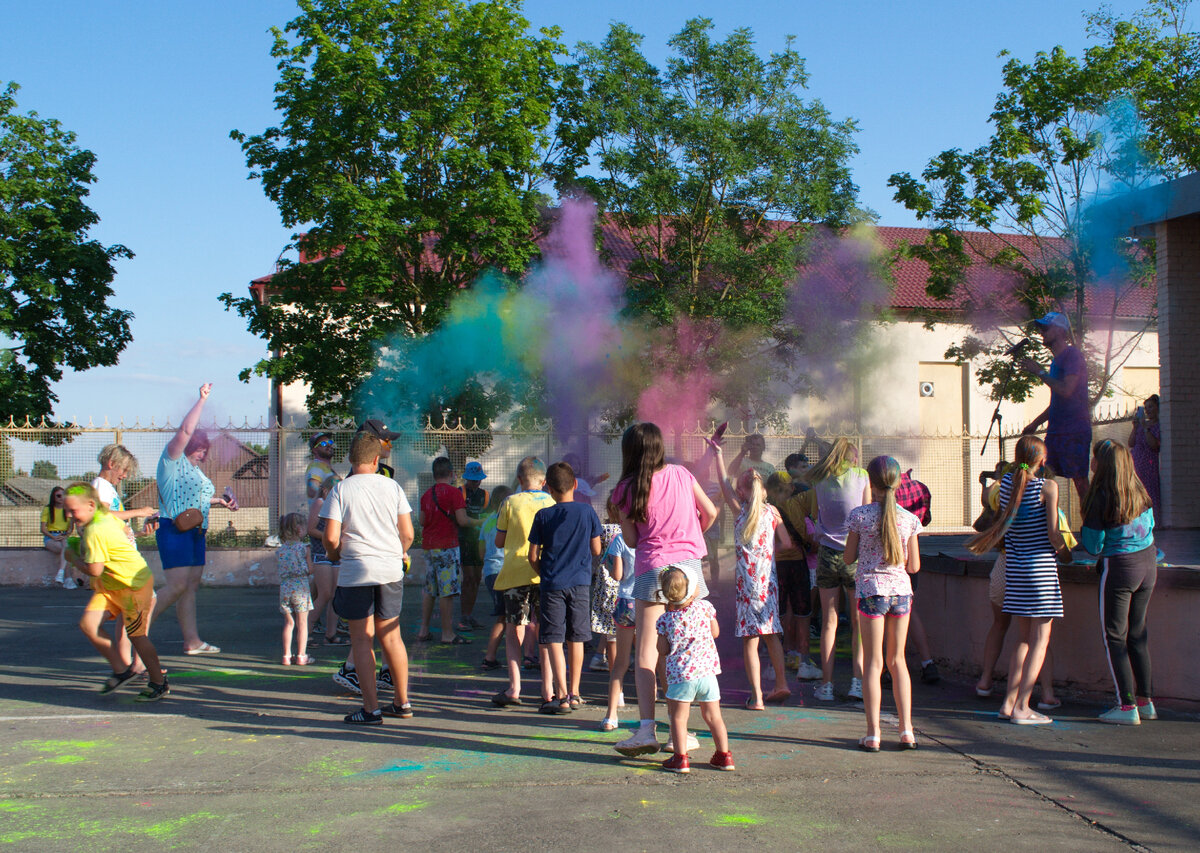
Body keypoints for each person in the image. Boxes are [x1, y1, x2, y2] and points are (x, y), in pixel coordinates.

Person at [611, 423, 719, 758]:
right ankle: (680, 733)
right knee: (684, 646)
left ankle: (646, 729)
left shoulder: (625, 489)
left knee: (646, 651)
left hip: (651, 569)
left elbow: (630, 541)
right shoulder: (683, 475)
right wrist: (689, 534)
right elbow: (711, 512)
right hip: (689, 568)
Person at [967, 435, 1065, 725]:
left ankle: (1009, 703)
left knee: (1022, 639)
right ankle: (1023, 706)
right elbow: (1053, 533)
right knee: (1040, 641)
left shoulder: (1007, 484)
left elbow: (991, 502)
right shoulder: (1047, 487)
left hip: (1016, 568)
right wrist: (1065, 549)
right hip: (1041, 570)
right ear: (1041, 460)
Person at [321, 431, 414, 724]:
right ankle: (402, 702)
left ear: (350, 459)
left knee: (362, 641)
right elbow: (408, 533)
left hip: (355, 571)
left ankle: (371, 709)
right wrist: (399, 552)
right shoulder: (393, 487)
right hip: (389, 570)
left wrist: (335, 555)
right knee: (392, 638)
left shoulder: (340, 490)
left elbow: (331, 537)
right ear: (377, 459)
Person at [843, 456, 922, 751]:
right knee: (897, 661)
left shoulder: (859, 516)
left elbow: (849, 558)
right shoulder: (909, 519)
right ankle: (907, 731)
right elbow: (913, 566)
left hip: (871, 593)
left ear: (870, 483)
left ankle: (873, 733)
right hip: (901, 593)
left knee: (874, 663)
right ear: (899, 481)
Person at [153, 383, 238, 655]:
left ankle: (192, 641)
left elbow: (197, 499)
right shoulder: (171, 460)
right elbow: (185, 430)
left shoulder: (194, 470)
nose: (202, 453)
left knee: (189, 587)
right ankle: (135, 627)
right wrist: (201, 400)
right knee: (176, 586)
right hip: (174, 530)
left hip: (196, 532)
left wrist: (221, 502)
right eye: (199, 447)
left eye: (205, 449)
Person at [64, 483, 168, 702]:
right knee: (88, 625)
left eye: (73, 511)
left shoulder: (95, 530)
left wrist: (73, 558)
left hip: (133, 586)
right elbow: (125, 531)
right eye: (67, 511)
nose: (70, 516)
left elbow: (94, 570)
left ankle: (159, 682)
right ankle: (121, 670)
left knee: (136, 636)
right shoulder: (104, 517)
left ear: (91, 505)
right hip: (110, 586)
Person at [1080, 439, 1158, 725]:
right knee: (1137, 634)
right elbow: (1150, 525)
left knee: (1114, 636)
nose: (1090, 463)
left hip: (1120, 568)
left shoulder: (1099, 496)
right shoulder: (1139, 490)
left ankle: (1126, 707)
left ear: (1103, 465)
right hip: (1148, 564)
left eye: (1094, 458)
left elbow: (1092, 544)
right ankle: (1145, 701)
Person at [713, 445, 792, 709]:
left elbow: (724, 484)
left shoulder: (740, 513)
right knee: (772, 636)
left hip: (746, 586)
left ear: (742, 491)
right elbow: (787, 544)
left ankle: (757, 696)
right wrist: (768, 552)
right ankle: (781, 684)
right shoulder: (773, 514)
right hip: (767, 585)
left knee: (750, 641)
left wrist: (719, 454)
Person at [528, 462, 603, 714]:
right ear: (574, 485)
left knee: (554, 639)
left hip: (551, 584)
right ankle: (576, 692)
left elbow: (532, 556)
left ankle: (560, 695)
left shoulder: (543, 515)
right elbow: (596, 550)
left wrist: (545, 574)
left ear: (548, 488)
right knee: (577, 638)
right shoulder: (587, 512)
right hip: (580, 583)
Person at [805, 437, 869, 702]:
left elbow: (813, 515)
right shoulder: (861, 475)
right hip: (855, 555)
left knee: (829, 622)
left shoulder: (819, 480)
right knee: (858, 622)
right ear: (852, 457)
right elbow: (866, 513)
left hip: (827, 555)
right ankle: (857, 682)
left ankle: (828, 685)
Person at [491, 456, 556, 708]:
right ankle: (548, 689)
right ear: (544, 481)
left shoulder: (510, 502)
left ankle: (514, 687)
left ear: (519, 480)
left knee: (513, 630)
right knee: (546, 632)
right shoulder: (551, 502)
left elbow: (498, 541)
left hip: (514, 574)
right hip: (543, 574)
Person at [656, 567, 734, 773]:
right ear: (691, 590)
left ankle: (680, 759)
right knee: (714, 717)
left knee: (679, 718)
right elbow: (715, 632)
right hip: (707, 674)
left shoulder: (665, 620)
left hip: (681, 676)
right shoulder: (705, 608)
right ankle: (724, 756)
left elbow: (662, 650)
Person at [91, 444, 160, 676]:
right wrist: (138, 511)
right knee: (145, 604)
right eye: (124, 469)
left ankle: (128, 664)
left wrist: (138, 533)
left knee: (128, 612)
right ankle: (134, 663)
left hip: (121, 557)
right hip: (122, 563)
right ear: (111, 463)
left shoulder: (107, 488)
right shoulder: (101, 487)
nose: (125, 475)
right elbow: (101, 517)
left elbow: (114, 528)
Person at [1021, 311, 1092, 502]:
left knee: (1080, 480)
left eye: (1046, 328)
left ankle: (1091, 527)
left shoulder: (1072, 356)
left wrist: (1039, 371)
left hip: (1074, 430)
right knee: (1040, 472)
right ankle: (1043, 521)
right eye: (1041, 328)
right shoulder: (1055, 362)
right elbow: (1058, 402)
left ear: (1061, 331)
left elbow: (1067, 390)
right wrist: (1035, 423)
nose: (1042, 332)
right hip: (1056, 432)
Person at [768, 471, 822, 681]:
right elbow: (817, 490)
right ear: (790, 487)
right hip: (798, 564)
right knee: (803, 613)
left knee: (779, 612)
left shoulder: (766, 509)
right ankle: (805, 661)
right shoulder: (800, 501)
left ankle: (777, 662)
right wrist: (802, 478)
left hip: (775, 566)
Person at [417, 457, 473, 645]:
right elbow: (463, 520)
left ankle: (424, 629)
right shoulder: (454, 493)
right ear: (451, 473)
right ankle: (447, 633)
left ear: (434, 474)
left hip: (429, 546)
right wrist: (478, 523)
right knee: (446, 591)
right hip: (447, 546)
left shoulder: (426, 494)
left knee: (430, 589)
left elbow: (422, 521)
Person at [601, 497, 636, 732]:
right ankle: (653, 709)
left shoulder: (619, 539)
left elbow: (618, 575)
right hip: (648, 602)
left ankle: (611, 715)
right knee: (652, 661)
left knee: (620, 662)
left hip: (625, 603)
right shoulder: (649, 538)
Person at [478, 485, 514, 671]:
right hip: (505, 571)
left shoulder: (487, 522)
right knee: (504, 617)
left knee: (505, 615)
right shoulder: (508, 520)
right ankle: (490, 656)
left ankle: (497, 656)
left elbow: (481, 552)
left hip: (491, 571)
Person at [307, 477, 345, 646]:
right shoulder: (320, 503)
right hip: (321, 554)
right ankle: (306, 631)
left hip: (335, 553)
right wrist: (330, 538)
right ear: (326, 489)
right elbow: (311, 529)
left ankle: (331, 634)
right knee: (325, 594)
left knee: (336, 595)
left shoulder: (338, 506)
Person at [276, 512, 315, 666]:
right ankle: (301, 655)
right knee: (302, 623)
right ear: (299, 529)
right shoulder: (304, 548)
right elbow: (310, 569)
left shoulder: (280, 550)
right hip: (301, 587)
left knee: (289, 623)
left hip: (285, 587)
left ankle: (286, 655)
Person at [589, 508, 622, 674]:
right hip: (621, 587)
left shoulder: (605, 529)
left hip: (605, 585)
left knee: (609, 628)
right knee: (618, 629)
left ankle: (600, 656)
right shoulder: (624, 531)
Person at [458, 461, 489, 628]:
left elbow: (487, 515)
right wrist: (479, 522)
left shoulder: (485, 495)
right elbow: (461, 520)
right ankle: (464, 615)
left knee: (477, 578)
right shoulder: (461, 492)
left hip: (479, 541)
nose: (476, 482)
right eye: (472, 480)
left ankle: (469, 614)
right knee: (468, 578)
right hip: (465, 541)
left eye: (478, 479)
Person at [1128, 395, 1161, 523]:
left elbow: (1154, 445)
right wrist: (1136, 428)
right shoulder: (1142, 425)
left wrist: (1146, 428)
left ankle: (1153, 523)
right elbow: (1131, 443)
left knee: (1149, 495)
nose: (1148, 410)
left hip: (1149, 466)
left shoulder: (1158, 426)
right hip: (1136, 465)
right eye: (1146, 408)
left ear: (1158, 407)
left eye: (1151, 407)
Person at [42, 486, 77, 588]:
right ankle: (68, 578)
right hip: (51, 536)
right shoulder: (48, 509)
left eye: (63, 495)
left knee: (65, 548)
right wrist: (53, 537)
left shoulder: (67, 510)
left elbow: (71, 528)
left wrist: (65, 535)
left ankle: (61, 574)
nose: (61, 498)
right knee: (65, 551)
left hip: (63, 536)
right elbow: (43, 529)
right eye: (58, 496)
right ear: (53, 497)